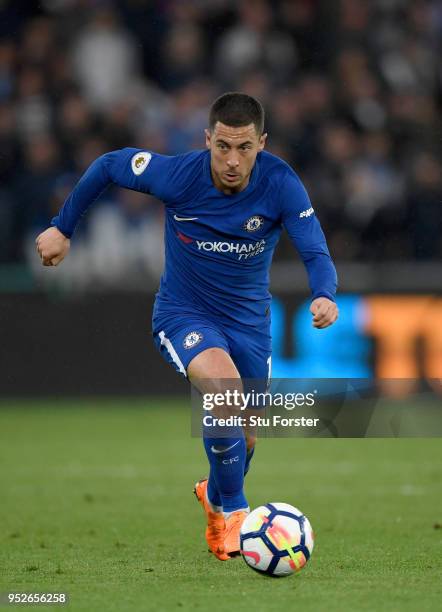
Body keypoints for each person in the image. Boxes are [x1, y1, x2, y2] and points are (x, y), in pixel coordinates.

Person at [36, 92, 338, 561]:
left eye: (243, 148)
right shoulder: (179, 175)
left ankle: (215, 501)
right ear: (207, 140)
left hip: (249, 325)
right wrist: (63, 227)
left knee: (247, 433)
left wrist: (324, 293)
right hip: (184, 314)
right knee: (223, 388)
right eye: (222, 147)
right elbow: (112, 164)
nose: (232, 161)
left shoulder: (281, 183)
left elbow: (314, 248)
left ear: (262, 143)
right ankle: (239, 515)